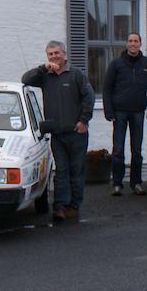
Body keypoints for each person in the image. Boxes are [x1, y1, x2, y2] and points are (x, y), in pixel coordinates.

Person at [21, 40, 95, 221]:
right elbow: (25, 79)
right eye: (50, 54)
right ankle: (59, 207)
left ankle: (74, 206)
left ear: (64, 54)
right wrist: (42, 68)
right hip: (57, 135)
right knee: (61, 171)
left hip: (77, 133)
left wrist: (84, 120)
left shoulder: (76, 74)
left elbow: (89, 97)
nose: (54, 56)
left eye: (57, 53)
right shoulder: (45, 76)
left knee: (76, 171)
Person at [102, 33, 147, 197]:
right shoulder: (116, 64)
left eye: (136, 41)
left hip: (137, 112)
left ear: (140, 44)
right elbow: (106, 89)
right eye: (130, 41)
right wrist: (109, 111)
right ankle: (117, 184)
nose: (133, 44)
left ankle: (136, 183)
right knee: (118, 149)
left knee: (136, 150)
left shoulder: (146, 63)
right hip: (119, 112)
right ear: (126, 44)